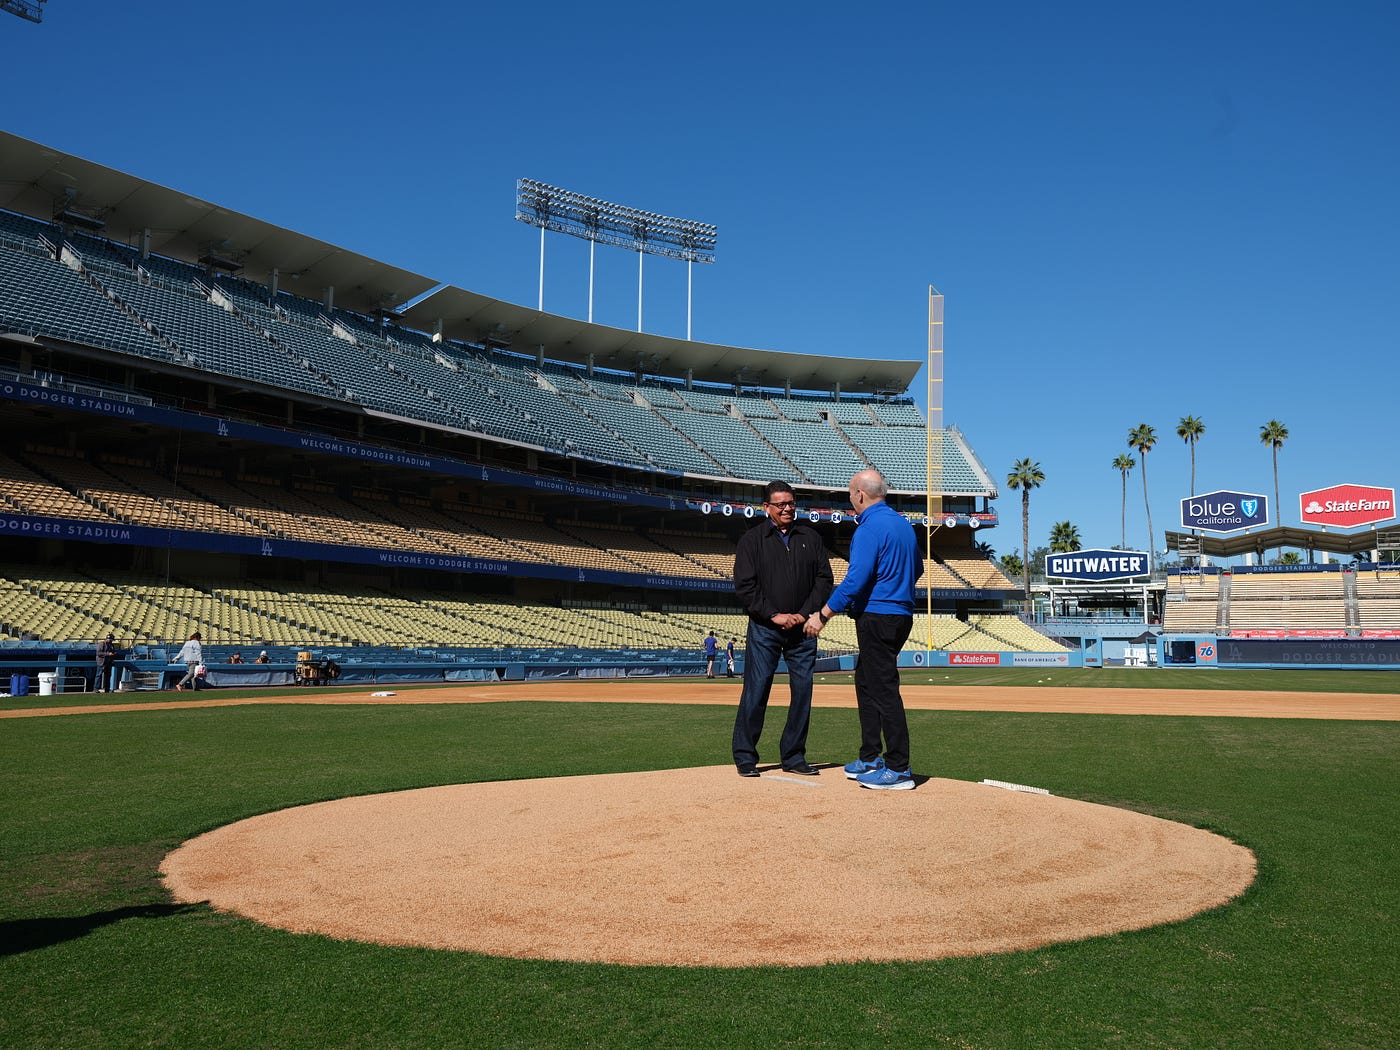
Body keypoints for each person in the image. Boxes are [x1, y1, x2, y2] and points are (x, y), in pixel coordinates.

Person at [806, 469, 923, 790]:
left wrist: (823, 614)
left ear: (860, 495)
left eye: (849, 495)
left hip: (878, 616)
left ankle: (898, 767)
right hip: (899, 613)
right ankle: (871, 756)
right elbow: (919, 569)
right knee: (867, 682)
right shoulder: (903, 525)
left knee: (883, 689)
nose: (851, 501)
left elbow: (855, 581)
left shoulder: (869, 527)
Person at [732, 480, 833, 777]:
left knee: (802, 692)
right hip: (766, 628)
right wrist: (774, 615)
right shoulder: (751, 540)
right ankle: (745, 755)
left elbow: (824, 581)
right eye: (781, 504)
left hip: (802, 631)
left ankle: (793, 755)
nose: (788, 508)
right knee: (757, 689)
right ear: (767, 508)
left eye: (791, 503)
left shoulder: (811, 537)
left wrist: (802, 614)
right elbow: (745, 586)